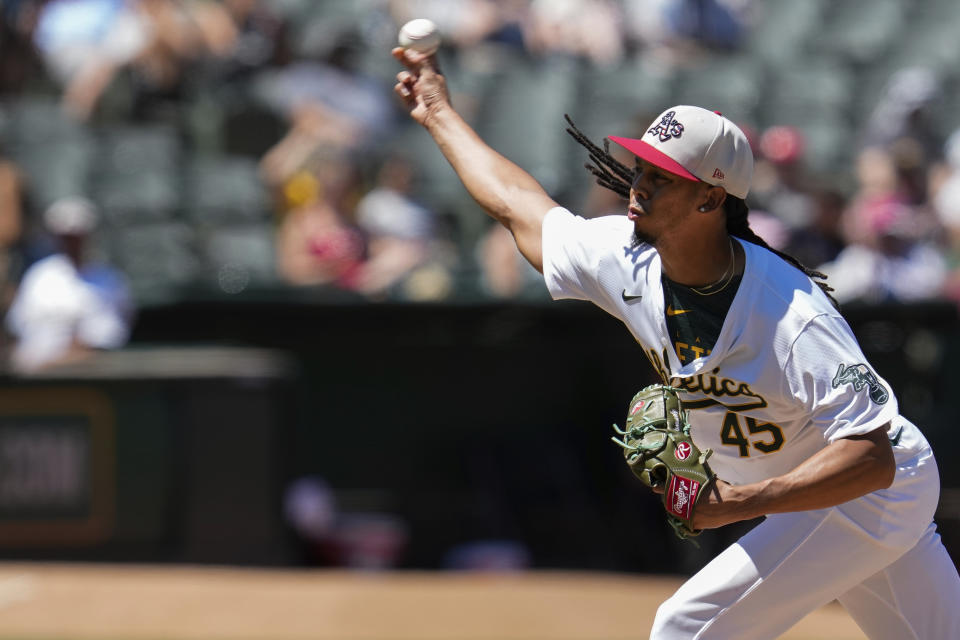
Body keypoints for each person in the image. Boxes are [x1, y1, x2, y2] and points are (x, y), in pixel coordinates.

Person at [392, 47, 960, 639]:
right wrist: (437, 113)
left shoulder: (790, 313)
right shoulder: (626, 259)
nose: (638, 186)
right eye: (640, 168)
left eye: (662, 178)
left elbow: (873, 456)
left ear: (709, 199)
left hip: (872, 491)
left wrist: (740, 500)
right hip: (838, 491)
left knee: (686, 627)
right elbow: (517, 205)